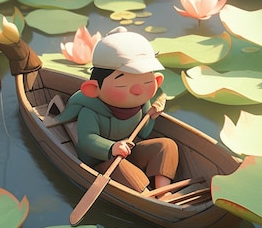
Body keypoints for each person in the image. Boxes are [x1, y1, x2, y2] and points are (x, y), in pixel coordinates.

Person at [57, 27, 179, 194]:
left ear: (157, 80)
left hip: (129, 150)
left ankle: (163, 191)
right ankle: (147, 196)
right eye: (123, 84)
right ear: (93, 88)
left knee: (166, 145)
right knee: (122, 168)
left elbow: (142, 133)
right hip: (101, 160)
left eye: (146, 82)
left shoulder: (142, 103)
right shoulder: (91, 110)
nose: (137, 90)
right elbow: (87, 140)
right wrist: (112, 147)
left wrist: (151, 116)